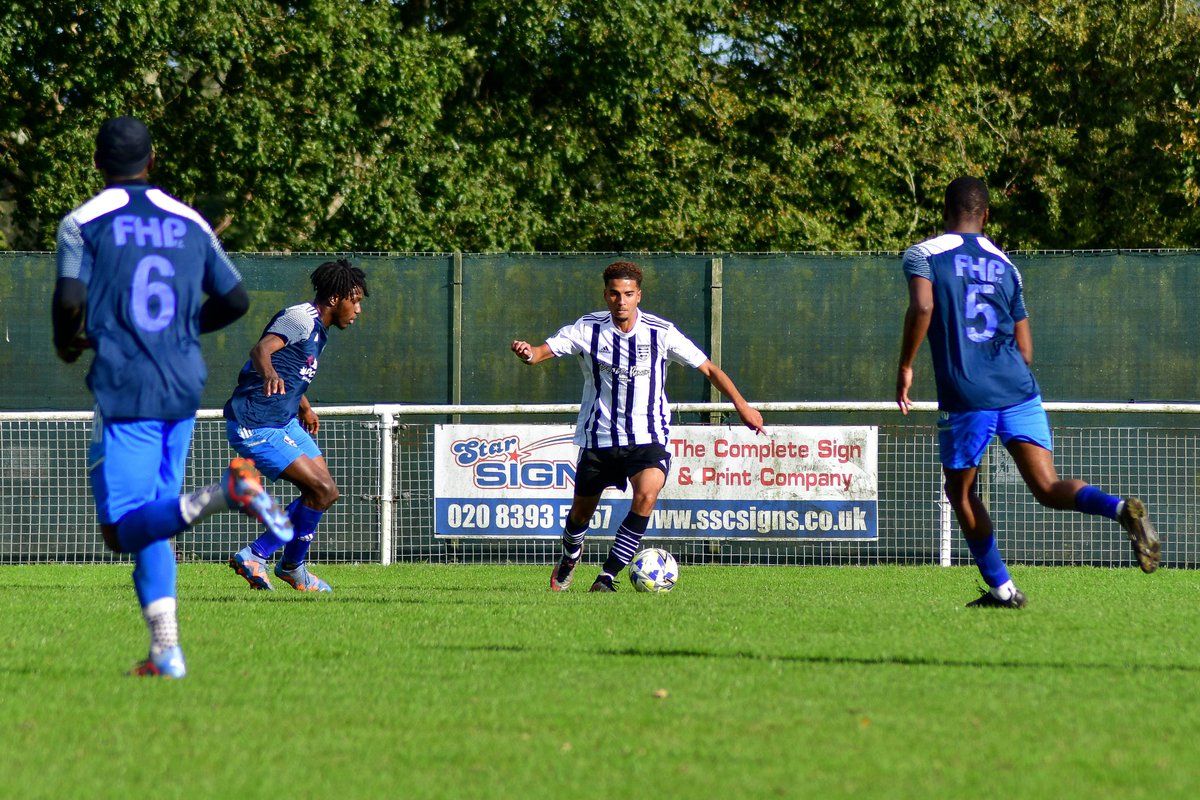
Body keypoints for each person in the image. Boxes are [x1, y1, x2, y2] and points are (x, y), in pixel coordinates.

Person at [53, 116, 294, 678]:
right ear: (152, 161)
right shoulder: (190, 220)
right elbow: (235, 300)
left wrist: (69, 343)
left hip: (125, 381)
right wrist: (182, 327)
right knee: (155, 521)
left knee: (120, 529)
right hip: (184, 381)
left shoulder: (83, 222)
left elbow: (69, 299)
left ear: (96, 163)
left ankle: (225, 492)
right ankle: (166, 651)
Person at [896, 176, 1160, 608]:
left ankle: (1002, 590)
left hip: (969, 392)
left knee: (961, 493)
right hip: (1018, 387)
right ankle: (1117, 509)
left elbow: (923, 306)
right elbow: (1027, 350)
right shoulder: (1006, 266)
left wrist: (906, 366)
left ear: (945, 211)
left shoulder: (924, 254)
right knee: (1047, 485)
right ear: (985, 215)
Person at [511, 260, 765, 592]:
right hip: (599, 438)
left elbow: (710, 370)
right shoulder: (588, 329)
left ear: (638, 296)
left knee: (646, 494)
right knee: (579, 516)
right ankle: (571, 555)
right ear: (606, 295)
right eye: (615, 294)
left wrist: (742, 405)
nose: (621, 301)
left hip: (648, 437)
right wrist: (528, 353)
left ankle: (607, 576)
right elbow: (542, 353)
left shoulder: (661, 332)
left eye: (628, 294)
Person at [224, 259, 368, 593]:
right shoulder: (301, 318)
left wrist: (304, 406)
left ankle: (290, 565)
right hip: (256, 423)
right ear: (335, 299)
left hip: (284, 420)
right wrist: (269, 373)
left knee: (325, 492)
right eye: (355, 300)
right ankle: (264, 557)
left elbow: (293, 369)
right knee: (322, 491)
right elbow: (262, 350)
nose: (358, 309)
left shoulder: (320, 329)